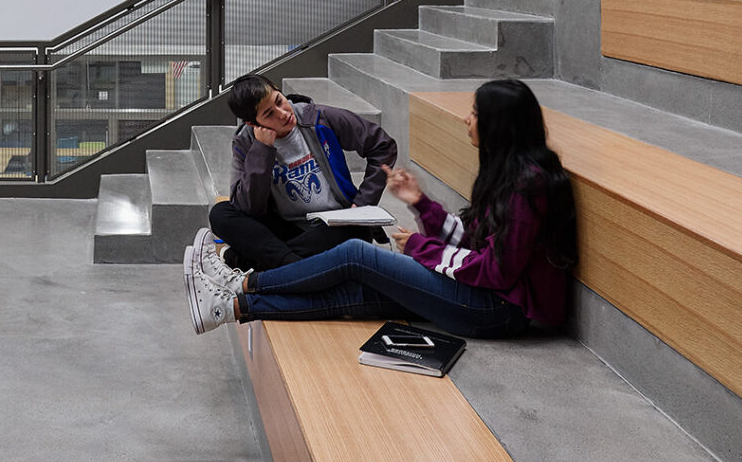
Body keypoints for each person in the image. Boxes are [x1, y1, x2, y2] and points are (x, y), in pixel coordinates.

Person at [186, 77, 577, 340]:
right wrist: (421, 204)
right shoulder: (513, 173)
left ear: (500, 126)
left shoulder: (529, 185)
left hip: (500, 309)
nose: (465, 119)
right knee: (353, 292)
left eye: (474, 113)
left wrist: (422, 248)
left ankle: (242, 282)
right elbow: (479, 239)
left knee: (357, 255)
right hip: (487, 299)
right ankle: (232, 307)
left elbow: (495, 270)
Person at [187, 75, 396, 280]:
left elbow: (382, 146)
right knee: (221, 214)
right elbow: (247, 208)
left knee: (353, 236)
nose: (282, 113)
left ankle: (251, 263)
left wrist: (362, 202)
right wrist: (262, 149)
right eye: (269, 114)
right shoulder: (246, 143)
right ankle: (300, 270)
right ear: (253, 123)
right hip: (287, 228)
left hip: (335, 227)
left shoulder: (318, 118)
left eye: (279, 101)